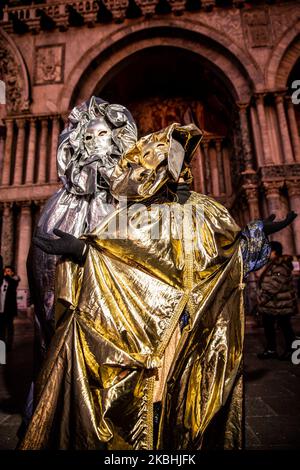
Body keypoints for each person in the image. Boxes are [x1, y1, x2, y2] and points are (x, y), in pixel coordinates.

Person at [20, 121, 297, 450]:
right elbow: (123, 259)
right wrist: (81, 250)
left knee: (190, 404)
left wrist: (255, 233)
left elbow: (225, 259)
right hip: (152, 331)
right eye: (171, 163)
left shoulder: (208, 211)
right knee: (153, 400)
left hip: (197, 330)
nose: (179, 171)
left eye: (182, 162)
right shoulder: (139, 215)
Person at [257, 241, 297, 360]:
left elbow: (273, 286)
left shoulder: (281, 265)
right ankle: (271, 350)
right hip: (271, 304)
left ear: (273, 251)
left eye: (267, 250)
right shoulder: (272, 264)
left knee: (285, 327)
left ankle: (291, 350)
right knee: (269, 327)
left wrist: (261, 299)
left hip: (280, 304)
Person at [0, 266, 20, 351]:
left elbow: (13, 282)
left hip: (9, 309)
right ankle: (2, 345)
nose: (6, 272)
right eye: (5, 271)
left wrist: (5, 275)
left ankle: (9, 345)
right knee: (1, 328)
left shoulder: (14, 280)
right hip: (1, 309)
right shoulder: (2, 280)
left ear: (12, 272)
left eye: (8, 271)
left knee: (9, 328)